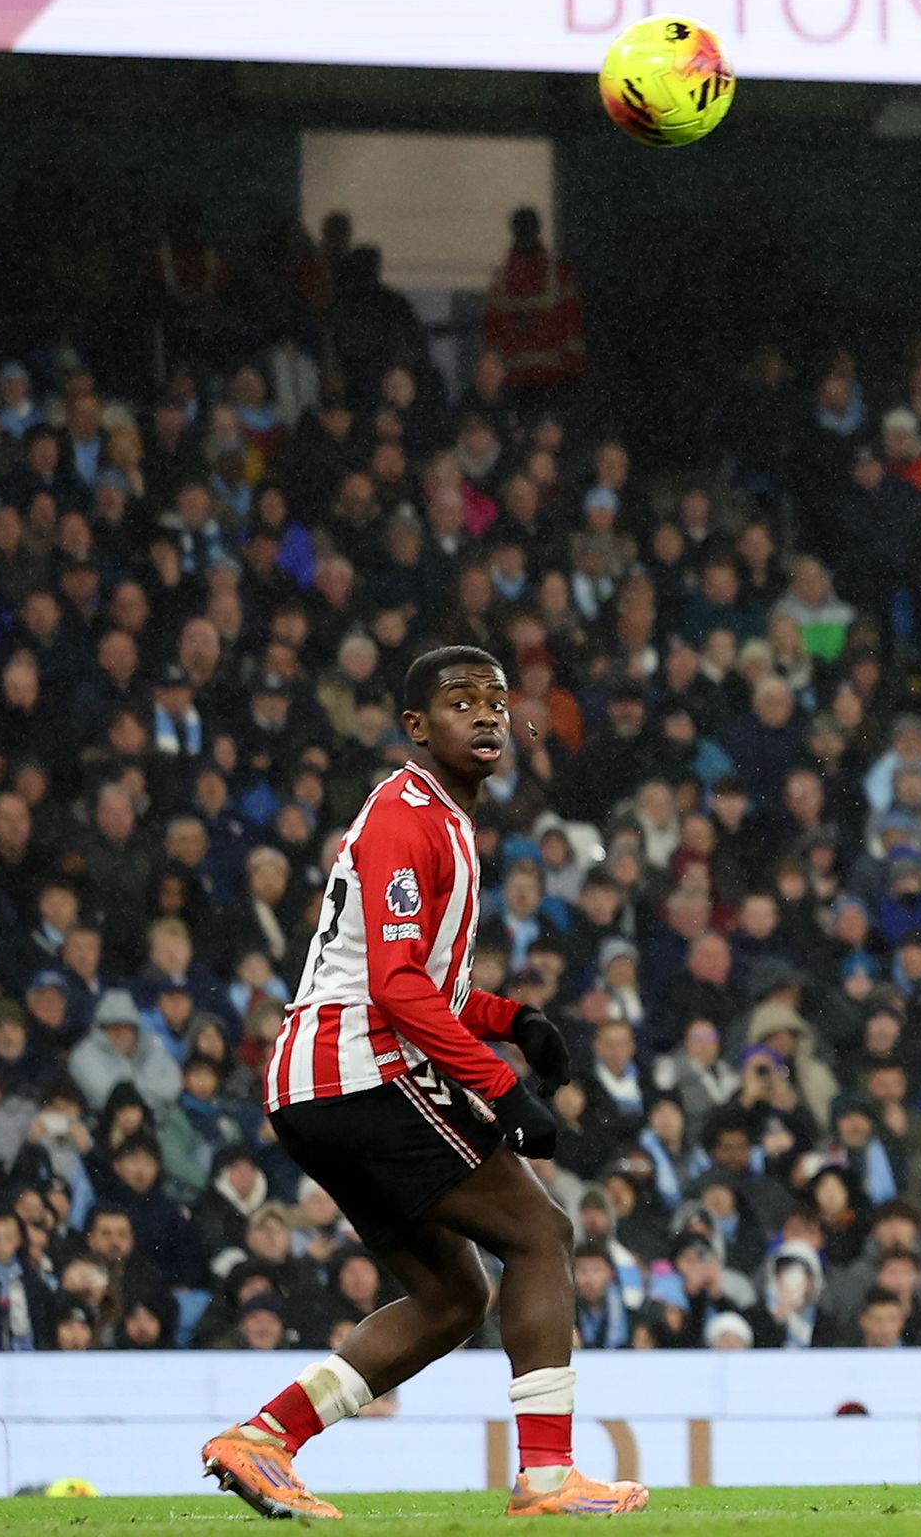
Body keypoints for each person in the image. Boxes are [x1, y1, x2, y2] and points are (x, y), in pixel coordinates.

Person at [199, 647, 648, 1518]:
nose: (485, 716)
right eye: (459, 703)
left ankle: (263, 1438)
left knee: (453, 1298)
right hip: (355, 1071)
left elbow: (420, 981)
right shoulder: (409, 815)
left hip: (318, 1083)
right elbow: (397, 990)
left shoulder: (435, 816)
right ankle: (549, 1481)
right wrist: (503, 1090)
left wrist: (513, 1019)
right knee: (542, 1234)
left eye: (495, 701)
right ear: (416, 726)